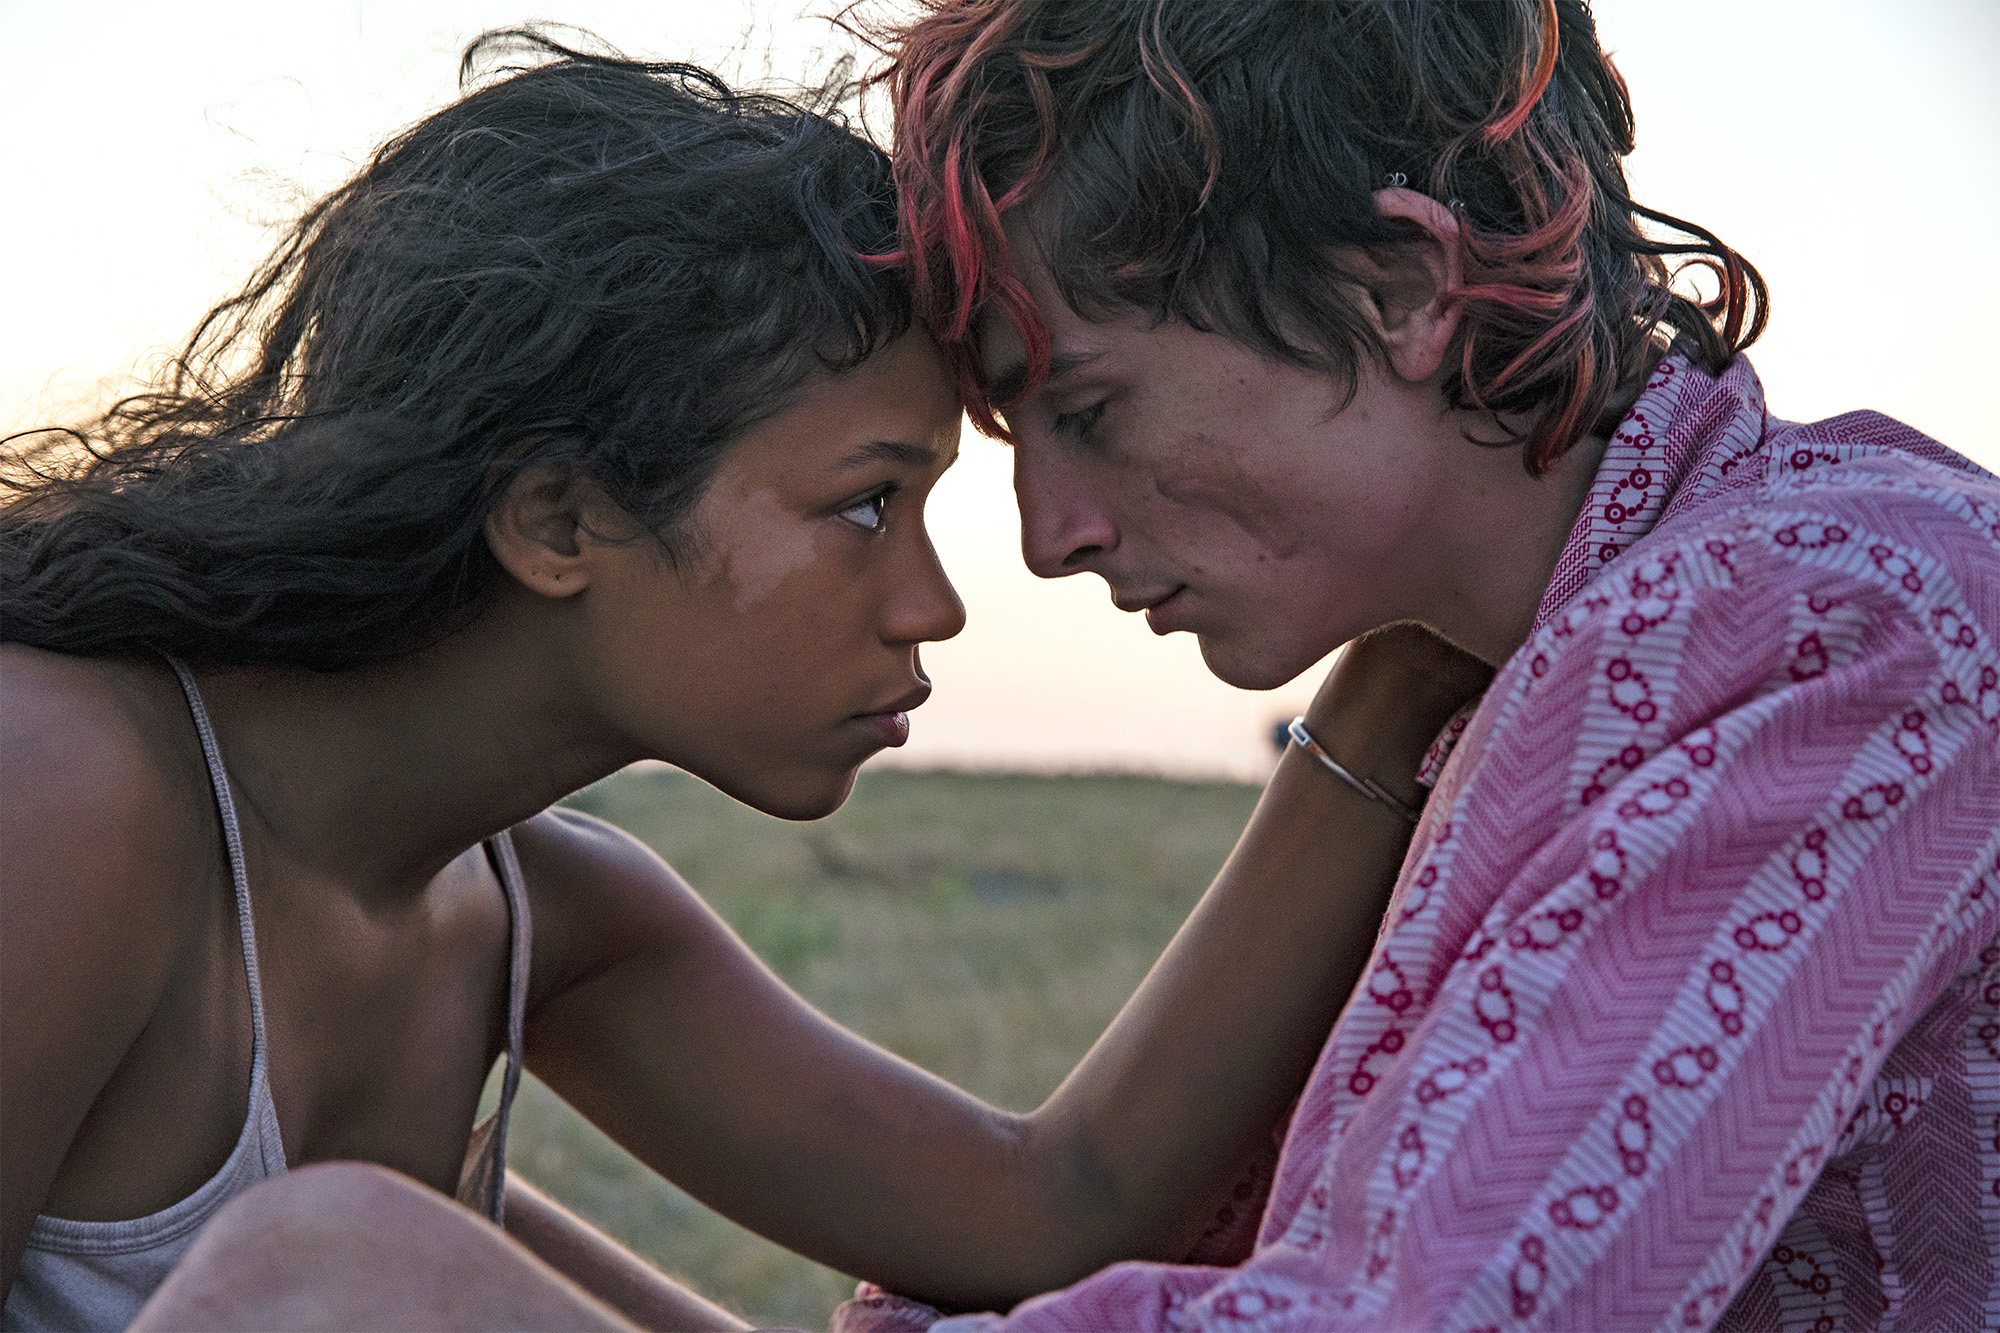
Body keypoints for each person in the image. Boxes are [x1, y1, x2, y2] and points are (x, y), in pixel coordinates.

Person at [0, 30, 1492, 1332]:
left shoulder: (531, 912)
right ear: (560, 521)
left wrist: (1397, 677)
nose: (936, 605)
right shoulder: (69, 789)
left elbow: (1048, 1205)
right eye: (867, 503)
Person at [839, 1, 2000, 1329]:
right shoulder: (1540, 653)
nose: (1050, 538)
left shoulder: (1841, 626)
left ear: (1398, 291)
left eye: (1091, 410)